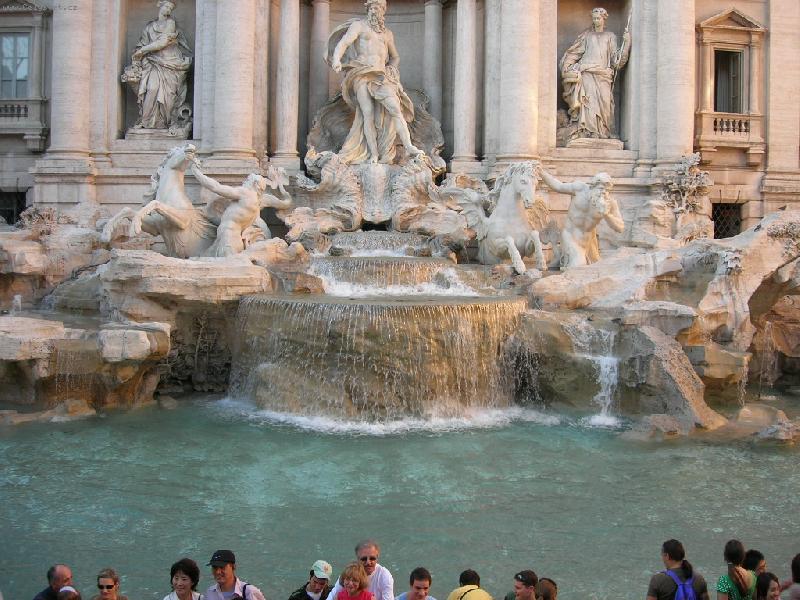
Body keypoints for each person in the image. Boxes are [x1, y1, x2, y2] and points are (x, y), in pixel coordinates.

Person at [326, 0, 422, 164]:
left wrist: (391, 68)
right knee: (367, 114)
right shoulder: (359, 26)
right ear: (368, 9)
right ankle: (373, 154)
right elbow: (344, 43)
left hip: (381, 75)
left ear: (383, 11)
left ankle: (408, 146)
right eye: (372, 7)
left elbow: (395, 57)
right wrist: (336, 59)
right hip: (361, 73)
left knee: (395, 109)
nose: (374, 11)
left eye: (378, 8)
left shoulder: (387, 33)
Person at [559, 7, 631, 140]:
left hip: (603, 75)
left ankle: (603, 132)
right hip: (587, 73)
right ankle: (588, 132)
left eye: (599, 18)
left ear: (604, 19)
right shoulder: (587, 36)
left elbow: (616, 60)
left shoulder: (610, 36)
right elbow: (574, 53)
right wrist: (567, 66)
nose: (596, 21)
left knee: (605, 102)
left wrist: (626, 44)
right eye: (594, 18)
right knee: (588, 103)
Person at [536, 166, 625, 269]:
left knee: (592, 270)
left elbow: (620, 227)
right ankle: (565, 254)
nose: (603, 192)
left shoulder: (609, 203)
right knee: (578, 266)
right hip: (570, 236)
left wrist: (607, 215)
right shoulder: (580, 189)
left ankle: (560, 255)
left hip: (588, 243)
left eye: (607, 190)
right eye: (601, 188)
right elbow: (558, 186)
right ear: (593, 186)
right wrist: (541, 173)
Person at [129, 0, 192, 130]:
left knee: (169, 96)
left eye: (171, 8)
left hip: (170, 62)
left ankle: (164, 123)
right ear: (160, 5)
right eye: (167, 6)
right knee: (152, 89)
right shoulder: (149, 27)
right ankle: (145, 121)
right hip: (152, 62)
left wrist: (142, 51)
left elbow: (162, 43)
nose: (168, 10)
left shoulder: (170, 23)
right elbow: (142, 43)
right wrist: (138, 53)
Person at [328, 540, 394, 600]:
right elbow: (332, 596)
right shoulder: (349, 573)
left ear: (377, 558)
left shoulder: (385, 575)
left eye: (372, 558)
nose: (368, 562)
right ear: (357, 559)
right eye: (364, 559)